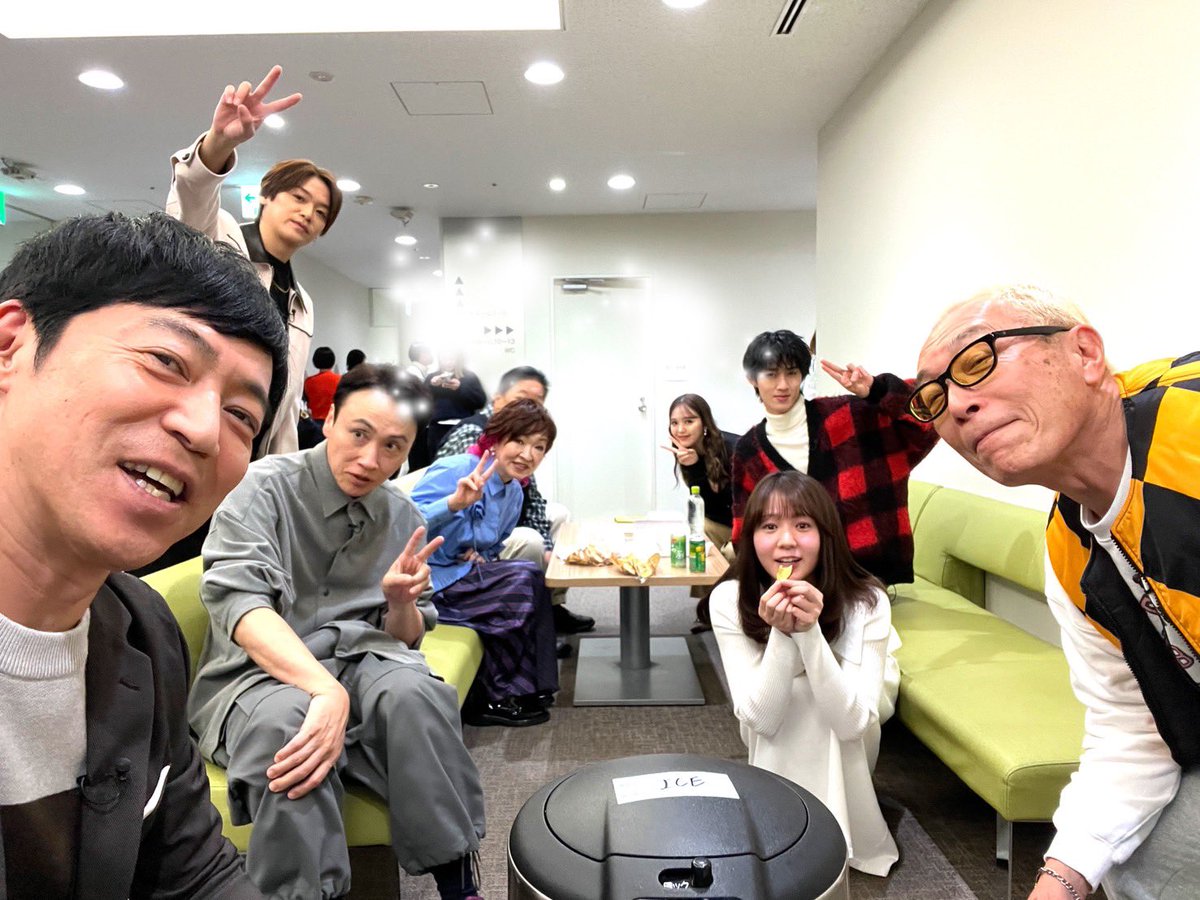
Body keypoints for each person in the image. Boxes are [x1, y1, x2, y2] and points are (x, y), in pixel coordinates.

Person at [0, 211, 288, 898]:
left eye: (242, 417)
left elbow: (193, 871)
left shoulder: (142, 630)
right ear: (11, 346)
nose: (204, 431)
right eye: (166, 362)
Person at [912, 285, 1200, 900]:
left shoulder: (1191, 425)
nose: (956, 406)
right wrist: (1057, 884)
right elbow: (1132, 728)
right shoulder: (1071, 549)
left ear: (1085, 354)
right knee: (1132, 866)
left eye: (977, 361)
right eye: (933, 399)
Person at [189, 364, 487, 900]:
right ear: (328, 420)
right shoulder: (265, 488)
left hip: (360, 658)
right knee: (289, 726)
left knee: (416, 694)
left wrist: (400, 602)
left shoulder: (400, 513)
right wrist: (323, 690)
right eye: (359, 434)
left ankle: (458, 881)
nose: (371, 460)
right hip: (258, 672)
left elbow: (405, 639)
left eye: (393, 447)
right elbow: (241, 605)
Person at [710, 471, 900, 877]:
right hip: (770, 718)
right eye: (769, 526)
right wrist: (783, 632)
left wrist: (808, 632)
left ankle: (831, 825)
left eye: (802, 525)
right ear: (751, 537)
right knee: (795, 697)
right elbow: (759, 718)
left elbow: (853, 723)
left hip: (855, 713)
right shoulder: (730, 598)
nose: (786, 541)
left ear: (826, 534)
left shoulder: (867, 602)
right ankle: (778, 822)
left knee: (815, 702)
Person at [167, 64, 343, 457]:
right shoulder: (221, 237)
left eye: (320, 212)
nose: (308, 213)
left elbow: (285, 403)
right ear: (266, 195)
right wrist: (218, 144)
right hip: (190, 434)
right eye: (298, 198)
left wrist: (278, 473)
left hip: (249, 459)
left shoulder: (301, 303)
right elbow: (193, 198)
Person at [731, 329, 938, 586]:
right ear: (752, 379)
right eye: (771, 375)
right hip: (795, 578)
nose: (783, 385)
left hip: (864, 575)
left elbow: (927, 421)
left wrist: (876, 391)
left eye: (792, 373)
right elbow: (745, 528)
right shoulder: (749, 452)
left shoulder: (847, 416)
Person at [411, 400, 559, 727]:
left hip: (464, 578)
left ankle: (532, 686)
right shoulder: (457, 469)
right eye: (518, 441)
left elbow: (494, 544)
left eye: (538, 447)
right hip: (429, 583)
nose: (527, 454)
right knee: (522, 579)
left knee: (531, 578)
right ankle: (490, 698)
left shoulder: (514, 493)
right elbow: (401, 523)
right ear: (496, 439)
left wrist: (483, 556)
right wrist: (453, 503)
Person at [437, 365, 593, 636]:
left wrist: (549, 549)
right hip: (462, 536)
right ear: (498, 398)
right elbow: (453, 498)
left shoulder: (523, 438)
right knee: (530, 539)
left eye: (537, 401)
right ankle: (531, 616)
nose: (529, 406)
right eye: (522, 397)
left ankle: (552, 606)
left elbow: (533, 500)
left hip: (500, 523)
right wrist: (468, 544)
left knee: (558, 514)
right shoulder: (473, 435)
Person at [662, 392, 739, 553]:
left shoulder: (734, 448)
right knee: (687, 541)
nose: (680, 430)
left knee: (727, 552)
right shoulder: (687, 451)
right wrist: (693, 466)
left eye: (689, 421)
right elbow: (706, 504)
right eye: (674, 423)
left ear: (705, 423)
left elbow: (730, 504)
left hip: (745, 524)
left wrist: (695, 467)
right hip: (718, 523)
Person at [422, 347, 486, 463]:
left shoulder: (469, 377)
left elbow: (480, 401)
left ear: (458, 359)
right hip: (437, 429)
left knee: (463, 463)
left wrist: (460, 388)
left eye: (451, 359)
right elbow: (421, 401)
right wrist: (431, 385)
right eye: (444, 358)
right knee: (437, 463)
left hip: (463, 428)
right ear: (439, 359)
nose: (448, 362)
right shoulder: (432, 378)